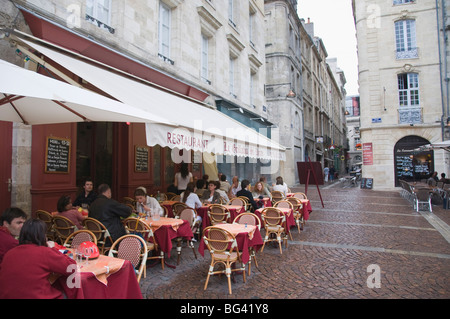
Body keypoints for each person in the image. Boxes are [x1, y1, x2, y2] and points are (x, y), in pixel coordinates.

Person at [0, 219, 76, 299]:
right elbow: (72, 268)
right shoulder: (44, 252)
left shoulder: (9, 253)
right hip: (36, 296)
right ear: (43, 236)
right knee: (68, 293)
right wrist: (53, 248)